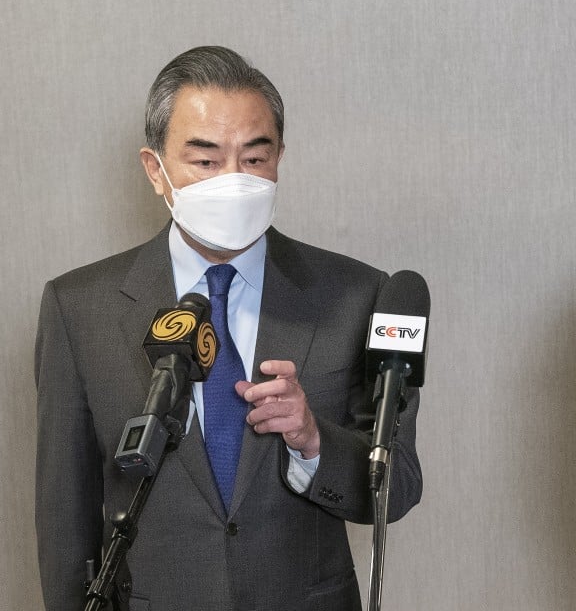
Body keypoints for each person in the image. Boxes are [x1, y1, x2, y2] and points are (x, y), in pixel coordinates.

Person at [35, 46, 423, 610]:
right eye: (206, 161)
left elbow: (398, 485)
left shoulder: (357, 295)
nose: (234, 181)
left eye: (254, 158)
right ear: (156, 170)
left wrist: (313, 440)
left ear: (280, 158)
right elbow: (64, 520)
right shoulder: (79, 308)